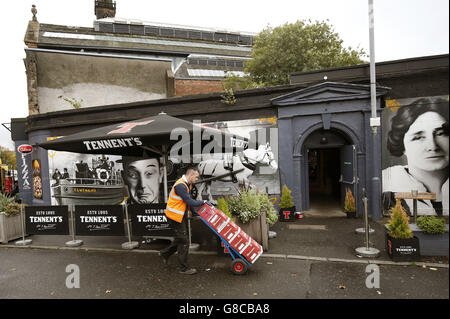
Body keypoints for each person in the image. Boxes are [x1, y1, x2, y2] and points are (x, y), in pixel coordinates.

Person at [382, 97, 449, 216]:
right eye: (418, 137)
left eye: (441, 134)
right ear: (402, 145)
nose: (432, 146)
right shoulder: (388, 189)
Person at [159, 167, 206, 275]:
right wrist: (204, 201)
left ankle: (164, 254)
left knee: (181, 239)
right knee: (184, 241)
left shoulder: (187, 184)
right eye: (196, 177)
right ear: (190, 175)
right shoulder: (180, 185)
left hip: (180, 215)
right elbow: (189, 200)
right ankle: (184, 268)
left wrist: (194, 214)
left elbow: (187, 202)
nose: (197, 179)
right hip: (174, 217)